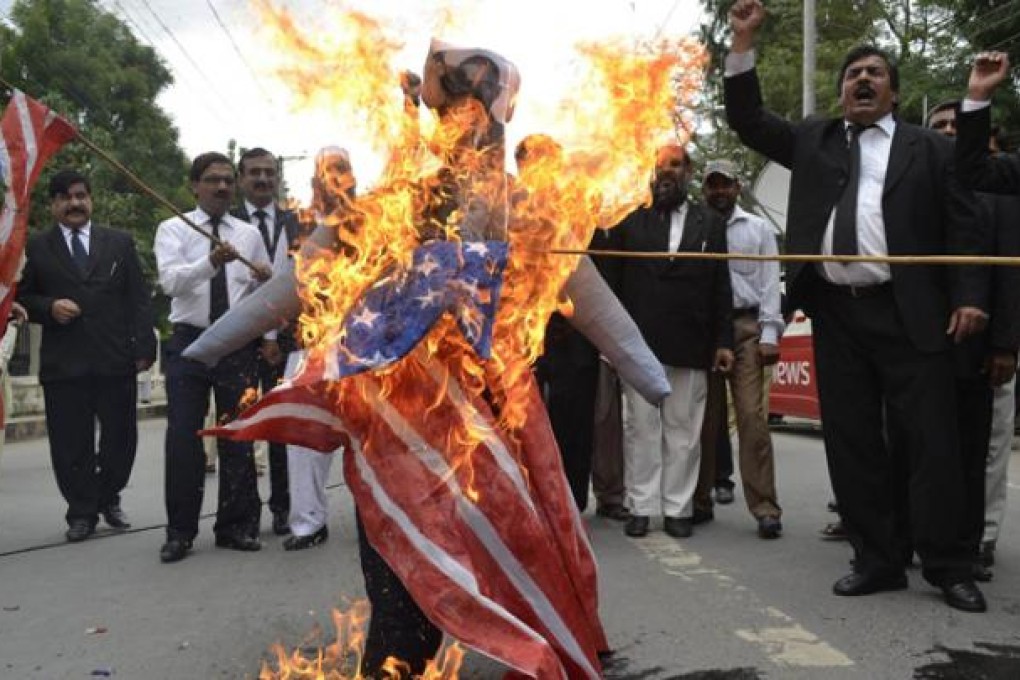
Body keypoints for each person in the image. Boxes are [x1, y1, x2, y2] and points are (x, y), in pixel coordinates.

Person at [724, 0, 989, 612]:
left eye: (873, 73)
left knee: (932, 443)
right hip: (837, 314)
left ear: (893, 92)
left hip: (911, 311)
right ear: (842, 92)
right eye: (852, 74)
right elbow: (747, 120)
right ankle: (877, 559)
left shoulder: (932, 149)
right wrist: (742, 42)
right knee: (852, 441)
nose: (861, 80)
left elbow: (966, 226)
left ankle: (948, 564)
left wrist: (971, 297)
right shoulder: (815, 138)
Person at [597, 143, 735, 540]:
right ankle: (641, 506)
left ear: (688, 172)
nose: (667, 172)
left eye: (675, 165)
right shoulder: (629, 220)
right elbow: (613, 285)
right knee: (639, 428)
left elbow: (720, 285)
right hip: (638, 343)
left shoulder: (709, 222)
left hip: (691, 342)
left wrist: (723, 340)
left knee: (684, 430)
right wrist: (611, 342)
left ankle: (678, 508)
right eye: (660, 166)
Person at [17, 169, 156, 542]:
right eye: (65, 198)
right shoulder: (36, 247)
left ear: (90, 199)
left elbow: (139, 300)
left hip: (115, 359)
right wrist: (49, 307)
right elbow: (22, 298)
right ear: (53, 206)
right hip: (64, 364)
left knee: (120, 439)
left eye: (80, 195)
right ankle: (81, 512)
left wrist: (145, 347)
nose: (75, 203)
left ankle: (108, 497)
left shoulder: (119, 243)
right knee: (69, 443)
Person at [154, 152, 273, 563]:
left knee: (237, 435)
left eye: (227, 180)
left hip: (236, 343)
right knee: (184, 437)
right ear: (194, 185)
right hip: (189, 342)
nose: (222, 187)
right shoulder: (172, 228)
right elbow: (171, 282)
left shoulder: (248, 234)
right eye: (212, 180)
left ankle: (236, 526)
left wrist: (264, 280)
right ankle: (179, 532)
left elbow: (258, 297)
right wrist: (210, 262)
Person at [693, 159, 784, 539]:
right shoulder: (696, 227)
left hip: (746, 328)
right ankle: (698, 502)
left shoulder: (758, 229)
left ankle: (765, 508)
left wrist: (769, 335)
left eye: (725, 185)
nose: (719, 192)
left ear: (738, 187)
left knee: (751, 418)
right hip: (706, 332)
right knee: (703, 420)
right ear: (704, 190)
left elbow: (768, 282)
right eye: (712, 185)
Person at [516, 134, 601, 513]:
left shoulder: (579, 208)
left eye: (545, 159)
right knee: (522, 420)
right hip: (524, 330)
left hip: (574, 330)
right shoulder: (508, 207)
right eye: (530, 160)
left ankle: (572, 503)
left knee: (573, 418)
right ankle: (529, 501)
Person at [282, 145, 355, 552]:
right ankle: (308, 523)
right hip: (308, 343)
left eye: (341, 170)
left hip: (361, 348)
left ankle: (378, 518)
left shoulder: (376, 218)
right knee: (304, 440)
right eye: (326, 172)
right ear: (313, 182)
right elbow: (280, 287)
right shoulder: (295, 221)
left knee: (371, 441)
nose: (334, 178)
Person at [232, 146, 302, 536]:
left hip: (289, 341)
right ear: (242, 179)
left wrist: (279, 333)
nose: (261, 179)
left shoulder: (298, 222)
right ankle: (243, 514)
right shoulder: (227, 223)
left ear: (277, 178)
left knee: (282, 426)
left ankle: (283, 507)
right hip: (241, 340)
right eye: (254, 172)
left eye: (268, 172)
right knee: (244, 425)